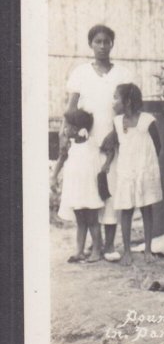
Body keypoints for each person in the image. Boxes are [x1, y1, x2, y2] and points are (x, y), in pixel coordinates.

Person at [63, 25, 135, 258]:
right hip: (87, 141)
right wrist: (66, 134)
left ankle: (109, 245)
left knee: (111, 187)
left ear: (112, 44)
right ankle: (90, 244)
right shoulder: (80, 73)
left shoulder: (123, 73)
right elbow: (71, 109)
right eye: (98, 41)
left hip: (114, 139)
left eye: (106, 42)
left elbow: (130, 108)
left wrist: (115, 134)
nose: (102, 46)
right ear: (90, 44)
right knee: (88, 190)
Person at [101, 83, 163, 266]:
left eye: (116, 98)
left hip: (144, 170)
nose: (113, 102)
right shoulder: (118, 122)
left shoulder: (147, 121)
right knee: (126, 210)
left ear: (127, 101)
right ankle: (127, 251)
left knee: (146, 208)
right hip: (126, 171)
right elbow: (114, 143)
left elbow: (157, 146)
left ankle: (148, 250)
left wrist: (146, 167)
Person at [51, 109, 106, 263]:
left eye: (67, 126)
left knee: (93, 221)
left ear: (76, 129)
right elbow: (61, 161)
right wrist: (54, 177)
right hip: (76, 190)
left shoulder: (92, 143)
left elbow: (107, 151)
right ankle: (79, 251)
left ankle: (97, 250)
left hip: (89, 189)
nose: (65, 129)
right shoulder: (69, 146)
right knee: (81, 221)